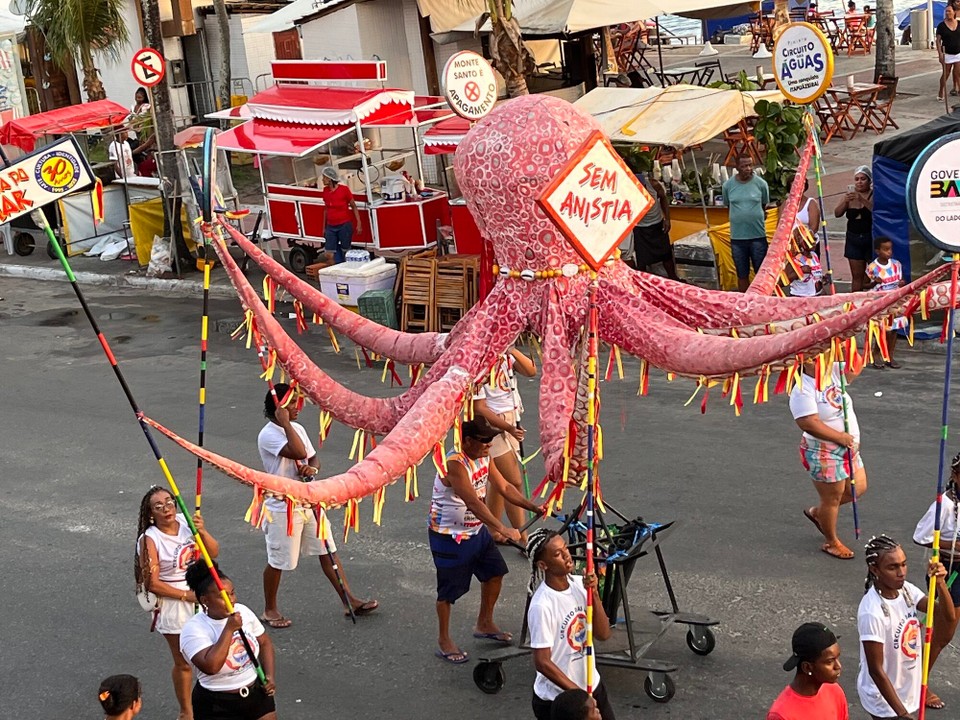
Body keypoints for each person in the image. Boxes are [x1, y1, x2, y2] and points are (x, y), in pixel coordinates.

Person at [257, 383, 377, 628]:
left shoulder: (297, 428)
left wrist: (313, 468)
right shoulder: (269, 434)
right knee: (280, 561)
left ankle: (348, 600)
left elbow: (311, 456)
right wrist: (286, 423)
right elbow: (297, 450)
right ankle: (269, 609)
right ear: (279, 408)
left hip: (308, 498)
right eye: (291, 404)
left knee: (327, 549)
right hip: (283, 506)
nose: (297, 407)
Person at [429, 418, 541, 664]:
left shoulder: (484, 456)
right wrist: (502, 528)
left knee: (495, 574)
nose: (489, 445)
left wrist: (532, 506)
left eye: (491, 440)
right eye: (484, 441)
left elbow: (505, 488)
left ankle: (484, 622)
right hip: (450, 536)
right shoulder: (455, 464)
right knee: (448, 592)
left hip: (476, 530)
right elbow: (473, 502)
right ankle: (444, 639)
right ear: (467, 441)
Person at [136, 485, 219, 720]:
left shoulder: (186, 521)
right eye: (158, 507)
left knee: (214, 651)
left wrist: (202, 532)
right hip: (174, 604)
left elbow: (213, 552)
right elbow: (152, 583)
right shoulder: (149, 539)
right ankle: (186, 712)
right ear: (151, 514)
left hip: (202, 592)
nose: (166, 509)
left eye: (169, 502)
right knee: (184, 662)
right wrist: (186, 596)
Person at [857, 535, 955, 719]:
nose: (901, 572)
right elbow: (876, 670)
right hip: (885, 702)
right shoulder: (872, 612)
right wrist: (902, 714)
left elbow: (947, 616)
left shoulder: (907, 591)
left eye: (903, 564)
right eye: (892, 567)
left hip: (907, 690)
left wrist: (940, 583)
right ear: (874, 569)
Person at [526, 529, 615, 720]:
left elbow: (603, 634)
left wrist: (595, 595)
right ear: (543, 565)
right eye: (558, 554)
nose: (567, 556)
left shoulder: (579, 585)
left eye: (565, 548)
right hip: (561, 700)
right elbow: (542, 662)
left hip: (592, 684)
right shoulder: (542, 605)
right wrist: (580, 696)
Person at [790, 358, 868, 560]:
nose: (821, 358)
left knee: (856, 490)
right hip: (823, 451)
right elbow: (809, 423)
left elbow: (856, 367)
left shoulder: (832, 371)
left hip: (848, 448)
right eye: (813, 356)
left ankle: (820, 514)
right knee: (832, 498)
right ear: (802, 361)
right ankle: (831, 541)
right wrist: (840, 437)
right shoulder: (801, 388)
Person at [181, 561, 277, 720]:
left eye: (232, 593)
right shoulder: (193, 630)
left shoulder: (243, 612)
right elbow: (211, 666)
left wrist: (269, 676)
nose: (230, 600)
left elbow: (264, 642)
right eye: (222, 596)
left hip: (256, 695)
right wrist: (229, 629)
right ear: (205, 600)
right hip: (217, 704)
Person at [472, 347, 538, 545]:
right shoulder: (478, 361)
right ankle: (523, 537)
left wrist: (512, 349)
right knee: (513, 480)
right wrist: (507, 428)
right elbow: (479, 407)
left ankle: (492, 531)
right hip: (492, 425)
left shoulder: (506, 356)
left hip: (511, 419)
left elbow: (531, 371)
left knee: (498, 479)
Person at [911, 451, 960, 710]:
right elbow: (921, 536)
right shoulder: (946, 505)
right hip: (948, 572)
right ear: (955, 475)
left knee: (940, 630)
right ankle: (919, 682)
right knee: (942, 634)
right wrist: (955, 544)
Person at [767, 622, 848, 720]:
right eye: (830, 661)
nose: (838, 666)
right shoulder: (782, 715)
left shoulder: (834, 691)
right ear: (807, 667)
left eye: (837, 658)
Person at [723, 153, 770, 292]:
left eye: (750, 165)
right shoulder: (728, 186)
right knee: (741, 273)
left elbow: (764, 204)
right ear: (737, 167)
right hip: (737, 238)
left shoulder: (761, 184)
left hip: (758, 237)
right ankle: (745, 300)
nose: (748, 169)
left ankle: (762, 299)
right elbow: (728, 205)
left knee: (761, 273)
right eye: (744, 166)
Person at [865, 237, 906, 369]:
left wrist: (901, 284)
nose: (889, 252)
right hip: (880, 303)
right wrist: (873, 282)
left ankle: (890, 354)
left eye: (890, 249)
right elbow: (863, 285)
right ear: (878, 251)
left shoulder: (896, 264)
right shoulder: (872, 268)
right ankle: (876, 353)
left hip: (895, 302)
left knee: (893, 330)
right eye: (885, 249)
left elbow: (900, 281)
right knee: (881, 329)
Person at [631, 170, 677, 279]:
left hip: (657, 224)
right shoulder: (628, 190)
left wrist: (667, 219)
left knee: (666, 254)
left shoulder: (654, 185)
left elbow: (664, 199)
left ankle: (673, 277)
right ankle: (644, 282)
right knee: (642, 259)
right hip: (640, 228)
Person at [835, 166, 874, 292]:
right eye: (857, 179)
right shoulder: (849, 196)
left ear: (869, 181)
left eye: (863, 179)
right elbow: (837, 213)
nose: (859, 182)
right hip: (853, 239)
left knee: (873, 275)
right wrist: (845, 202)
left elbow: (876, 212)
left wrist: (861, 199)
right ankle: (855, 303)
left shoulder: (873, 195)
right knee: (857, 277)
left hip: (870, 238)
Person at [320, 166, 361, 264]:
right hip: (331, 226)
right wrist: (324, 227)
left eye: (324, 177)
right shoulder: (325, 191)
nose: (322, 179)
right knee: (329, 253)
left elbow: (354, 206)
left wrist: (359, 223)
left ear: (330, 179)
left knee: (346, 250)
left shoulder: (344, 190)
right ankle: (335, 269)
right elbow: (326, 209)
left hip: (344, 225)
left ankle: (347, 269)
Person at [936, 5, 960, 101]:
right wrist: (940, 54)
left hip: (958, 53)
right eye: (946, 11)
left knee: (958, 73)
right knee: (946, 73)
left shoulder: (959, 23)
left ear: (954, 12)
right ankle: (941, 90)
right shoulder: (941, 26)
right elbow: (938, 41)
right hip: (947, 53)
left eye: (949, 11)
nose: (947, 13)